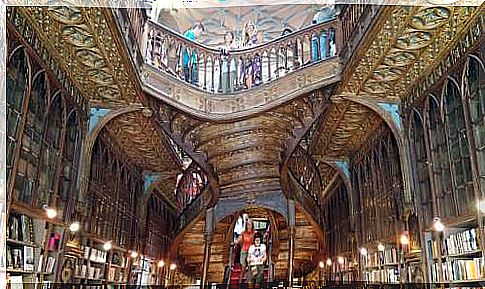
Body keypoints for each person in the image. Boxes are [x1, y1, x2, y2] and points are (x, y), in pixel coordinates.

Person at [236, 218, 255, 283]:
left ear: (252, 225)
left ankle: (248, 281)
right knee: (243, 269)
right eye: (247, 225)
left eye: (249, 224)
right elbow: (238, 241)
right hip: (244, 251)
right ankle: (240, 283)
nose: (248, 226)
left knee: (251, 268)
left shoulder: (254, 233)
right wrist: (239, 243)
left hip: (251, 252)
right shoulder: (243, 233)